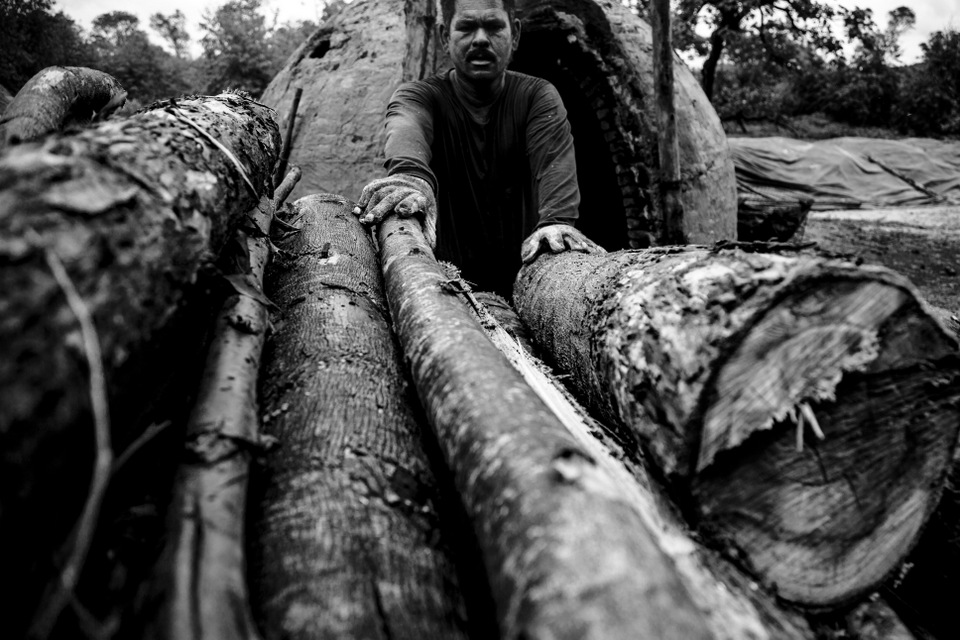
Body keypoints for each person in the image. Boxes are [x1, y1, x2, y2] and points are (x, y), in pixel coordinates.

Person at [353, 0, 604, 298]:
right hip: (445, 290)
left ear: (515, 34)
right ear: (445, 36)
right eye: (467, 27)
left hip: (526, 286)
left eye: (494, 26)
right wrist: (411, 179)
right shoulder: (419, 97)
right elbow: (407, 131)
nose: (481, 39)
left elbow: (554, 164)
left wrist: (557, 222)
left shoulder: (537, 96)